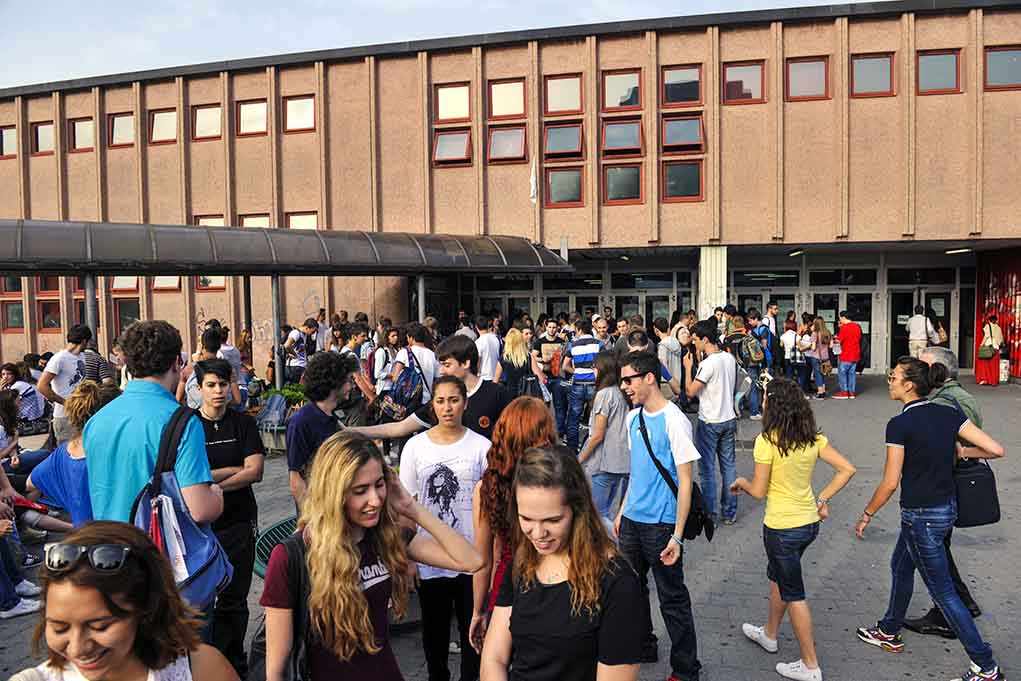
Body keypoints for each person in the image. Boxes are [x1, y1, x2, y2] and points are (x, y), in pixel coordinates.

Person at [261, 431, 481, 681]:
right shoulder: (292, 557)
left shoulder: (384, 537)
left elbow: (471, 560)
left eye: (379, 485)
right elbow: (277, 668)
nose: (375, 500)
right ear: (334, 493)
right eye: (360, 490)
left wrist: (411, 508)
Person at [855, 357, 1006, 681]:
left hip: (920, 516)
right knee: (900, 565)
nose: (889, 381)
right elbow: (995, 449)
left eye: (893, 377)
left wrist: (867, 513)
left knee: (943, 593)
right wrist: (962, 452)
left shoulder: (900, 425)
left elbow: (890, 482)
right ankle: (889, 629)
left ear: (909, 384)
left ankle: (985, 666)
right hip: (945, 510)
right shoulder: (949, 413)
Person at [480, 446, 650, 681]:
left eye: (553, 520)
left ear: (578, 510)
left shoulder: (617, 581)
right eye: (526, 518)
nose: (538, 533)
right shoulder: (521, 563)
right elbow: (494, 657)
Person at [731, 378, 856, 681]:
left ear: (772, 406)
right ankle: (770, 634)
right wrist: (822, 498)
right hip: (807, 524)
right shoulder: (812, 438)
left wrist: (742, 483)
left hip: (781, 527)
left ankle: (810, 665)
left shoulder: (767, 442)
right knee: (779, 576)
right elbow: (847, 469)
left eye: (763, 399)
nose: (760, 403)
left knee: (794, 592)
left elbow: (759, 491)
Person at [15, 521, 237, 680]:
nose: (78, 648)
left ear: (146, 609)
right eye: (59, 627)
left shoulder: (202, 670)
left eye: (100, 626)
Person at [613, 351, 701, 681]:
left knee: (673, 600)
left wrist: (677, 535)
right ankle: (644, 644)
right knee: (631, 593)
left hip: (662, 525)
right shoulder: (632, 418)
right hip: (632, 523)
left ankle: (686, 669)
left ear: (649, 377)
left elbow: (686, 480)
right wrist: (623, 510)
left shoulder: (674, 420)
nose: (624, 387)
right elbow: (637, 471)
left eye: (629, 380)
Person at [83, 320, 223, 526]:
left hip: (110, 546)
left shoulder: (96, 420)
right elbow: (201, 510)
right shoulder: (183, 422)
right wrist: (216, 495)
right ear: (177, 362)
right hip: (158, 551)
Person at [399, 376, 491, 681]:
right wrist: (409, 558)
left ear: (465, 403)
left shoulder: (482, 447)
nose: (447, 408)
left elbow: (490, 511)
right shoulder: (415, 447)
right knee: (434, 636)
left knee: (472, 633)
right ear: (432, 405)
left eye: (454, 400)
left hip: (471, 559)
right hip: (430, 559)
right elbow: (406, 505)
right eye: (440, 401)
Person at [903, 347, 984, 638]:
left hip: (937, 490)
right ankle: (963, 603)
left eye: (922, 366)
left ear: (937, 370)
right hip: (941, 488)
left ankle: (947, 615)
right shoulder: (959, 395)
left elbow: (960, 444)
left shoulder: (947, 401)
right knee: (933, 551)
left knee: (932, 552)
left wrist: (959, 452)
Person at [193, 359, 265, 677]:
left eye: (223, 384)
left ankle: (235, 663)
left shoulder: (243, 424)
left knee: (235, 600)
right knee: (203, 603)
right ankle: (208, 666)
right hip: (201, 528)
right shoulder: (189, 426)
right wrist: (233, 471)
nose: (219, 391)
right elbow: (187, 481)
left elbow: (256, 471)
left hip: (239, 523)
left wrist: (208, 482)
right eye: (211, 385)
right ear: (199, 389)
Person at [468, 397, 556, 653]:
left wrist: (479, 610)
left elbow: (484, 560)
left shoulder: (488, 486)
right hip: (555, 581)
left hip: (508, 587)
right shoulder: (560, 479)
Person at [27, 381, 121, 527]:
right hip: (117, 538)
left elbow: (31, 483)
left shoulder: (64, 452)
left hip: (85, 538)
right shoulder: (115, 454)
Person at [287, 352, 359, 508]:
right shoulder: (301, 421)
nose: (352, 386)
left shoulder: (331, 417)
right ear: (334, 383)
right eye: (348, 381)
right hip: (318, 510)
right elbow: (296, 479)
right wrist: (310, 518)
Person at [685, 320, 738, 525]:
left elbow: (690, 392)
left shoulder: (708, 364)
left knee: (707, 470)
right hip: (728, 417)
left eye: (696, 339)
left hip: (710, 420)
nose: (694, 343)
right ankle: (730, 511)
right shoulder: (729, 358)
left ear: (705, 339)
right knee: (729, 467)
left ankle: (710, 514)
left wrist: (689, 367)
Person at [577, 351, 630, 522]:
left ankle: (606, 547)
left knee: (598, 515)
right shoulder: (621, 392)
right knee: (607, 512)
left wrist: (579, 459)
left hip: (603, 462)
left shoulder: (604, 394)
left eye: (594, 368)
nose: (593, 371)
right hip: (620, 461)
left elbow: (597, 435)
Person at [37, 324, 90, 445]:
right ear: (84, 341)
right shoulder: (59, 358)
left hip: (81, 413)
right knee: (67, 453)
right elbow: (42, 386)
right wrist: (66, 403)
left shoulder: (82, 356)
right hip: (65, 416)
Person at [561, 318, 600, 451]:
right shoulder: (598, 344)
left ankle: (572, 449)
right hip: (594, 385)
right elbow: (604, 364)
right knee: (596, 416)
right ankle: (593, 447)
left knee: (573, 418)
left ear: (579, 330)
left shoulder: (573, 345)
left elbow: (564, 366)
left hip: (577, 384)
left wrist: (576, 371)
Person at [0, 389, 51, 478]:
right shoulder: (1, 427)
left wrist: (14, 455)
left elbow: (10, 445)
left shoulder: (8, 420)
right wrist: (15, 442)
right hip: (2, 466)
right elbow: (9, 446)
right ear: (10, 405)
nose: (21, 404)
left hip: (10, 459)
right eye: (18, 401)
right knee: (45, 455)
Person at [531, 318, 568, 435]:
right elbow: (532, 356)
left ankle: (560, 431)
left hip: (558, 375)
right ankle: (544, 431)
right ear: (546, 328)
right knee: (543, 405)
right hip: (544, 376)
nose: (552, 330)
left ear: (557, 328)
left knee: (559, 404)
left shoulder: (561, 341)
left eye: (554, 327)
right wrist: (542, 359)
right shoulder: (539, 341)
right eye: (549, 327)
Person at [391, 322, 439, 402]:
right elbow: (437, 380)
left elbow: (395, 378)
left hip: (409, 401)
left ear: (411, 338)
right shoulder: (433, 355)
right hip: (427, 401)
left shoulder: (404, 352)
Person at [493, 327, 539, 399]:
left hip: (509, 395)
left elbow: (495, 381)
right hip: (526, 394)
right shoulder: (528, 357)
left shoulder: (504, 358)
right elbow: (539, 376)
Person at [746, 309, 773, 420]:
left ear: (756, 319)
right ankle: (763, 409)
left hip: (754, 360)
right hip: (764, 360)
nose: (749, 323)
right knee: (765, 385)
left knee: (755, 385)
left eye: (750, 321)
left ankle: (755, 410)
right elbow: (765, 346)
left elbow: (763, 345)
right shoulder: (764, 330)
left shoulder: (754, 331)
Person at [833, 310, 863, 399]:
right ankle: (852, 392)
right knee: (852, 374)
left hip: (846, 354)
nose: (840, 320)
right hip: (855, 354)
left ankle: (844, 392)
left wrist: (835, 337)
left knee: (842, 373)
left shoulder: (844, 328)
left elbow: (839, 340)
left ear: (843, 317)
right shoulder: (857, 326)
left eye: (840, 318)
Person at [283, 317, 318, 384]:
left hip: (299, 366)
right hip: (295, 367)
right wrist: (294, 354)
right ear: (307, 328)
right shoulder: (296, 333)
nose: (312, 334)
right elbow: (287, 345)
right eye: (312, 331)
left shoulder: (303, 335)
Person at [804, 318, 831, 400]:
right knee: (822, 373)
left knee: (817, 374)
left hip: (816, 357)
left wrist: (806, 347)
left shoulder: (814, 334)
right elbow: (831, 346)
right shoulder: (828, 333)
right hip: (825, 357)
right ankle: (823, 390)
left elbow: (813, 347)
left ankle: (820, 393)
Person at [975, 313, 1003, 386]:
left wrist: (981, 345)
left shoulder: (988, 326)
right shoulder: (999, 328)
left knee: (985, 364)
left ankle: (985, 379)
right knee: (994, 366)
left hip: (988, 347)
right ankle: (994, 381)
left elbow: (986, 336)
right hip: (995, 348)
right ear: (996, 321)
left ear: (989, 320)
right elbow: (1001, 340)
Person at [373, 325, 401, 395]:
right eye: (393, 336)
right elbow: (377, 374)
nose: (396, 337)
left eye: (396, 335)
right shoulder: (381, 351)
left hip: (394, 388)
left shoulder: (395, 350)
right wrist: (392, 375)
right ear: (386, 337)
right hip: (384, 389)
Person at [474, 314, 501, 382]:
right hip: (496, 375)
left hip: (483, 377)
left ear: (476, 327)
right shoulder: (495, 338)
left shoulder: (478, 342)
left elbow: (478, 361)